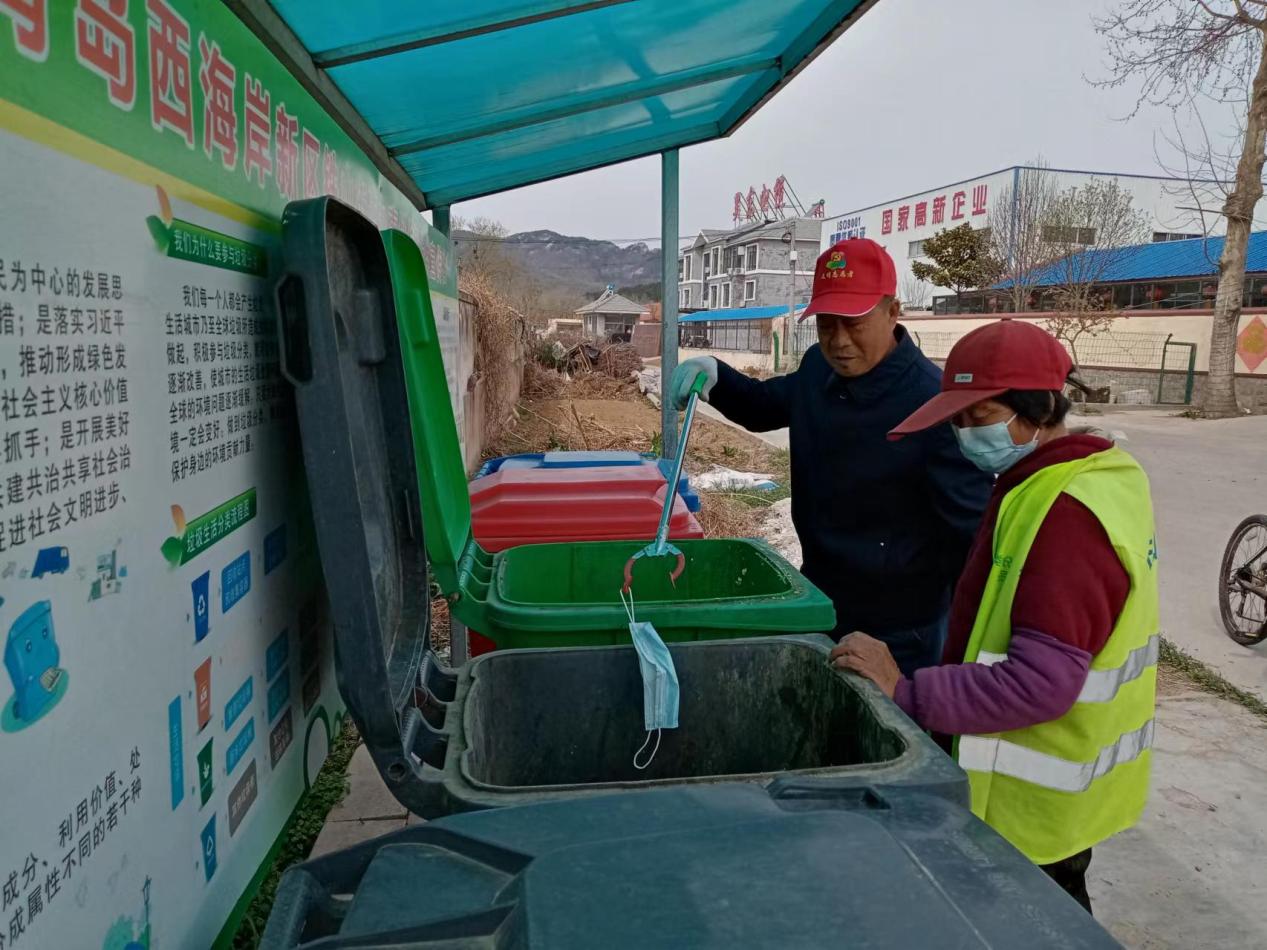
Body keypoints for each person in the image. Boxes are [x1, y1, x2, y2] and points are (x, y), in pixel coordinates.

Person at [831, 320, 1159, 914]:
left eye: (979, 416)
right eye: (955, 420)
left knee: (1040, 919)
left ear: (1037, 411)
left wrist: (906, 689)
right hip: (1058, 798)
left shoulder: (1066, 516)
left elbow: (1038, 683)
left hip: (1032, 805)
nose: (963, 435)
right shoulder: (1068, 479)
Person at [669, 239, 991, 675]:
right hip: (820, 598)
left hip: (898, 631)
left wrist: (965, 651)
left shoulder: (931, 404)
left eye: (854, 323)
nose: (838, 341)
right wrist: (716, 376)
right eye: (826, 324)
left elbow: (972, 537)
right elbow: (766, 405)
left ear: (893, 312)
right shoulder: (819, 369)